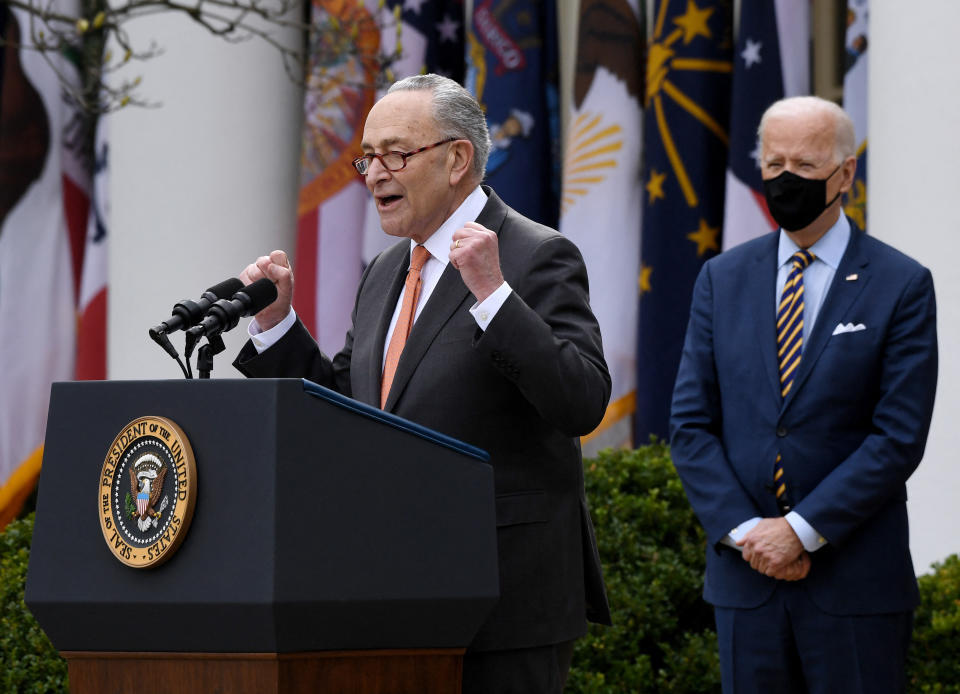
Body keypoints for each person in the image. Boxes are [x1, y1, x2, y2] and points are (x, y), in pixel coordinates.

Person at [233, 73, 611, 693]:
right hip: (393, 590)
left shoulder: (537, 255)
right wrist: (277, 326)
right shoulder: (386, 269)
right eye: (368, 157)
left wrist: (494, 297)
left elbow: (583, 400)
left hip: (503, 601)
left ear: (458, 158)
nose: (375, 173)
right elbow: (350, 410)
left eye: (396, 154)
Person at [670, 95, 938, 693]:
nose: (786, 178)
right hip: (747, 584)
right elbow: (690, 425)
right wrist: (748, 532)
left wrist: (799, 529)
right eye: (774, 163)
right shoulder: (722, 277)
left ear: (845, 173)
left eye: (806, 165)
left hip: (855, 587)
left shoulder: (902, 285)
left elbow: (897, 437)